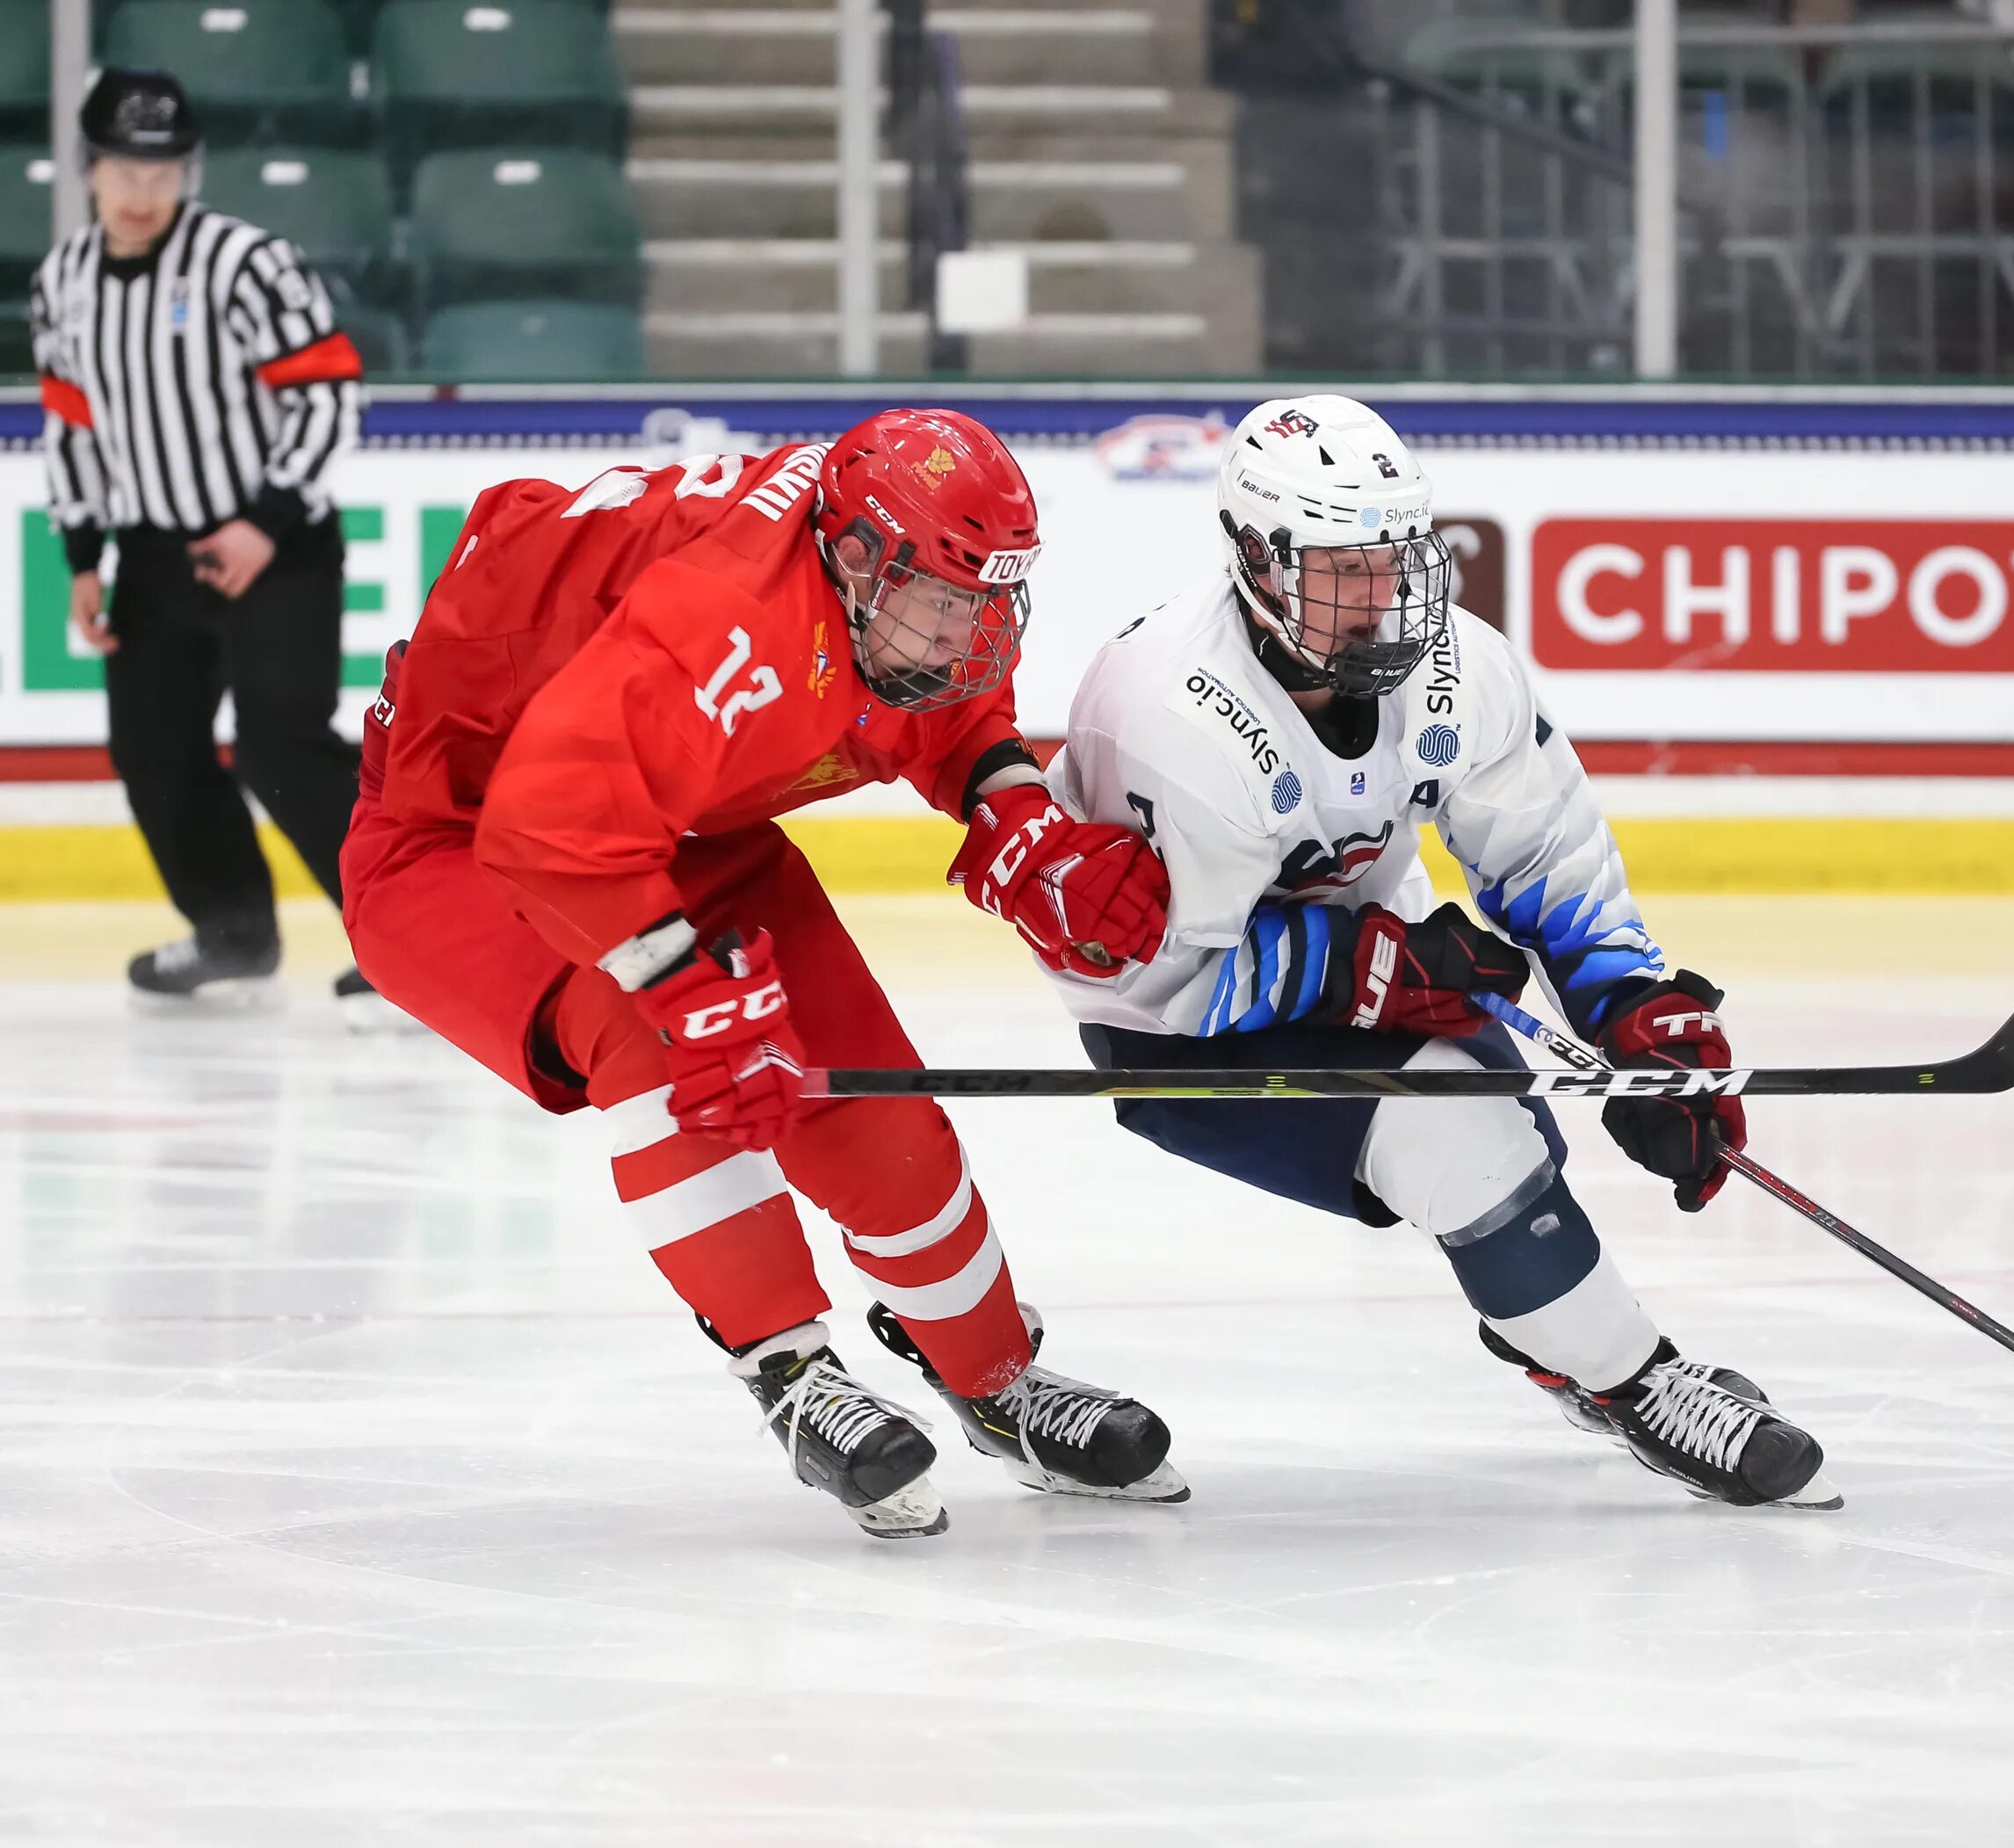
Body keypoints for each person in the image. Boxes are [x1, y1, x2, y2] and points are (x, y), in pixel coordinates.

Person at [340, 410, 1186, 1538]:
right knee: (657, 1045)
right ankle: (789, 1370)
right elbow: (550, 821)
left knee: (866, 1098)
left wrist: (1015, 813)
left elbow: (945, 704)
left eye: (989, 601)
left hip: (686, 817)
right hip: (458, 833)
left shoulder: (899, 579)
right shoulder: (728, 624)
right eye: (949, 603)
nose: (972, 633)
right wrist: (681, 985)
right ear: (851, 557)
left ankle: (993, 1381)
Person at [1038, 394, 1838, 1511]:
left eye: (1394, 559)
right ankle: (1636, 1384)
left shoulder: (1459, 666)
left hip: (1374, 965)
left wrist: (1636, 1006)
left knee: (1506, 1134)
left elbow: (1547, 853)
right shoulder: (1170, 715)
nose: (1381, 598)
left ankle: (1559, 1334)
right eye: (1341, 570)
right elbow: (1157, 980)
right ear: (1256, 563)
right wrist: (1356, 966)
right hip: (1178, 1031)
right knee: (1466, 1143)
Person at [28, 69, 372, 1010]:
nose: (143, 193)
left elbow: (330, 390)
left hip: (278, 541)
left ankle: (405, 940)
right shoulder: (62, 283)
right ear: (88, 168)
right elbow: (75, 425)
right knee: (152, 747)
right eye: (122, 171)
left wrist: (264, 522)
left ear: (191, 170)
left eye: (164, 171)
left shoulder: (245, 263)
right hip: (150, 551)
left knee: (282, 743)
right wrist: (82, 558)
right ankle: (232, 930)